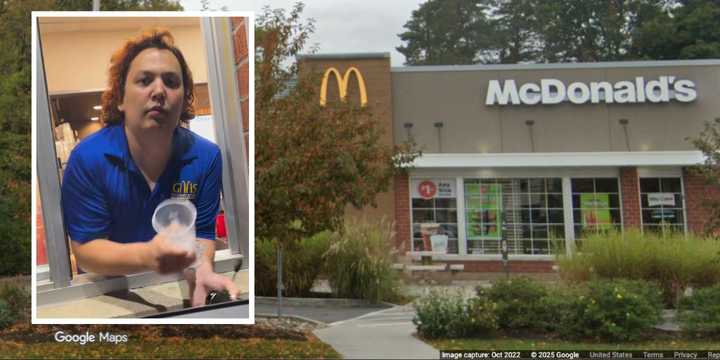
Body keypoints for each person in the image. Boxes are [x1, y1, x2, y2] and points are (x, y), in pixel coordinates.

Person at [61, 29, 238, 307]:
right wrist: (147, 256)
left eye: (171, 81)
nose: (158, 91)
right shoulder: (88, 158)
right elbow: (86, 249)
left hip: (174, 287)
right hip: (107, 295)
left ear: (184, 99)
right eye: (145, 80)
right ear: (121, 98)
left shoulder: (206, 157)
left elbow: (202, 235)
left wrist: (202, 271)